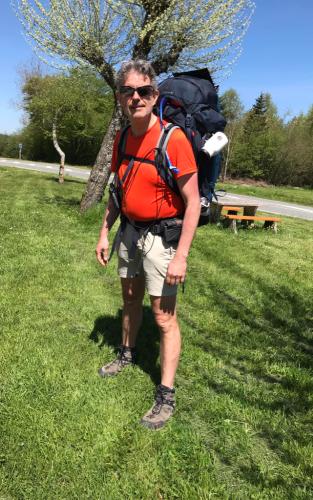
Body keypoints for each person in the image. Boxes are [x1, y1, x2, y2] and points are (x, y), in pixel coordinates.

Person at [95, 59, 200, 430]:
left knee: (164, 317)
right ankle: (126, 354)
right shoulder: (123, 138)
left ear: (154, 95)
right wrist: (105, 231)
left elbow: (194, 202)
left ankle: (166, 394)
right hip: (129, 231)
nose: (136, 97)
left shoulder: (174, 140)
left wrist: (181, 256)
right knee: (129, 300)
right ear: (120, 96)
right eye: (128, 91)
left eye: (144, 91)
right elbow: (116, 190)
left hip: (162, 239)